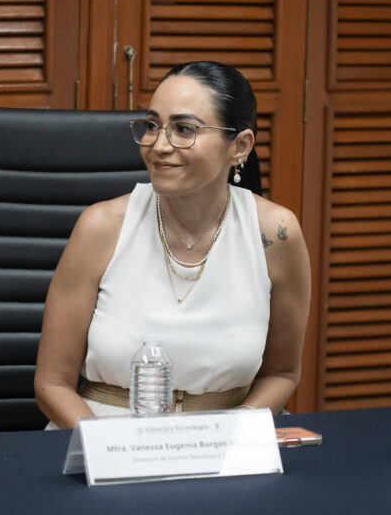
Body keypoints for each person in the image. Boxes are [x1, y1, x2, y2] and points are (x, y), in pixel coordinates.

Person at [34, 61, 311, 428]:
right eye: (152, 126)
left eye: (183, 129)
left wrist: (235, 434)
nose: (159, 145)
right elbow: (52, 384)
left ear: (240, 146)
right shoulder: (100, 226)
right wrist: (109, 449)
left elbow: (281, 373)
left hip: (226, 440)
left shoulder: (275, 234)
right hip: (100, 437)